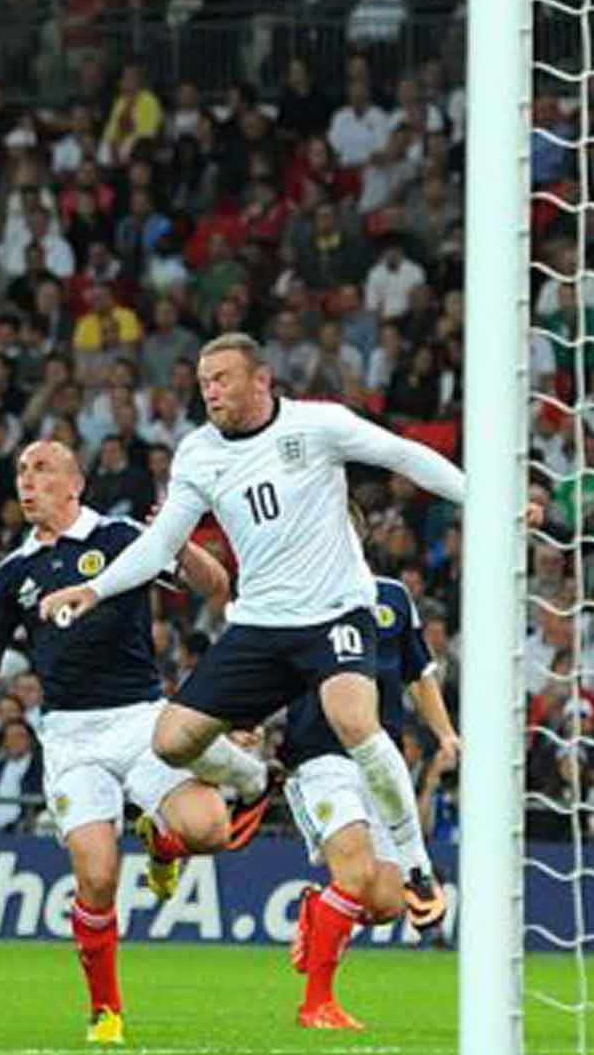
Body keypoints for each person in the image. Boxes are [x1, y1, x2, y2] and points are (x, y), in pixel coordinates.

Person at [38, 333, 540, 932]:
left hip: (334, 611)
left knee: (355, 719)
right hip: (261, 625)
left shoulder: (318, 426)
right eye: (203, 383)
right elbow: (161, 545)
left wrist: (487, 499)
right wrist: (94, 590)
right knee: (171, 741)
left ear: (261, 380)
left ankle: (414, 864)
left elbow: (402, 455)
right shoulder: (198, 454)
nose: (211, 392)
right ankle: (252, 783)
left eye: (222, 379)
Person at [0, 439, 268, 1046]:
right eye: (20, 470)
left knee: (210, 831)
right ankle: (106, 1013)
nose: (27, 481)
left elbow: (215, 585)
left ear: (73, 484)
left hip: (141, 720)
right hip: (72, 737)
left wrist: (177, 540)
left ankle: (165, 845)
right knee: (97, 876)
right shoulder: (15, 573)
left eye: (41, 469)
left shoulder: (121, 537)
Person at [281, 514, 459, 1030]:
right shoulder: (291, 593)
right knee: (356, 876)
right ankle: (317, 1004)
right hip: (320, 755)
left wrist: (445, 734)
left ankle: (318, 913)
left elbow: (419, 675)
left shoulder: (391, 598)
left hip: (379, 762)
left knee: (383, 902)